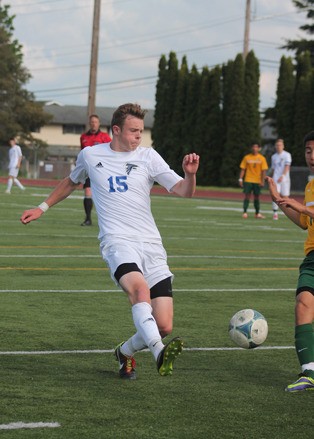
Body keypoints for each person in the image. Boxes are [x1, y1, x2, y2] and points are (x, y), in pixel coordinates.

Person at [21, 103, 200, 380]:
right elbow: (70, 182)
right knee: (139, 292)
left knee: (163, 323)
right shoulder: (91, 155)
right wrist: (41, 207)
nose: (138, 136)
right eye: (133, 131)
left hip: (151, 245)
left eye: (141, 131)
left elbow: (183, 192)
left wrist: (190, 174)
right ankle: (159, 352)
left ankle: (125, 352)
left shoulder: (149, 157)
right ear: (116, 130)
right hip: (117, 242)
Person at [266, 130, 314, 393]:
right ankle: (309, 371)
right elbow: (304, 222)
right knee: (303, 302)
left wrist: (303, 207)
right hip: (312, 257)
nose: (312, 156)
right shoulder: (310, 185)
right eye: (308, 151)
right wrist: (280, 201)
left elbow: (307, 212)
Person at [79, 114, 111, 226]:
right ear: (89, 123)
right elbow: (82, 154)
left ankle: (108, 219)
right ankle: (88, 219)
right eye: (92, 122)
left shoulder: (105, 137)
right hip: (89, 170)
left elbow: (110, 153)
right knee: (87, 192)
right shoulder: (83, 137)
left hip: (102, 170)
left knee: (105, 195)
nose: (93, 124)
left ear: (99, 123)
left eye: (95, 122)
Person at [238, 143, 268, 219]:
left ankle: (257, 213)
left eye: (256, 147)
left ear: (259, 148)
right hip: (248, 179)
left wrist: (262, 181)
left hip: (257, 181)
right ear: (251, 148)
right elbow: (243, 169)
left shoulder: (262, 158)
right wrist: (240, 179)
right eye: (253, 147)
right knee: (247, 196)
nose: (254, 148)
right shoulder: (247, 157)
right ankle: (245, 212)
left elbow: (263, 171)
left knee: (257, 197)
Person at [269, 139, 292, 221]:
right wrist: (270, 177)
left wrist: (282, 176)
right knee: (275, 195)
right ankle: (275, 213)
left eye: (280, 145)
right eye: (277, 145)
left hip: (285, 179)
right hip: (276, 179)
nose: (278, 147)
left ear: (283, 146)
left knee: (285, 196)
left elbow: (287, 166)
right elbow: (273, 169)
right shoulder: (273, 156)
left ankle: (287, 213)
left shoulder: (287, 155)